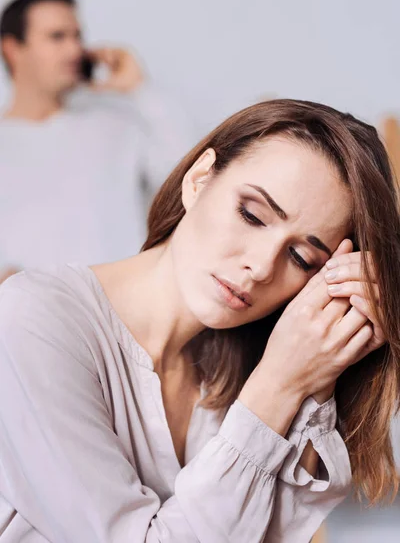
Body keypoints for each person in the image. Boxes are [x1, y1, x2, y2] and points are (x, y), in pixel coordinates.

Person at [0, 99, 399, 542]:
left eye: (300, 257)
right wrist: (280, 385)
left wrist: (316, 371)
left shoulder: (238, 368)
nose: (262, 267)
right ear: (198, 179)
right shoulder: (31, 321)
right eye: (252, 215)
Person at [0, 0, 193, 279]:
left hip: (121, 310)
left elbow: (193, 177)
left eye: (77, 36)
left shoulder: (115, 124)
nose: (74, 50)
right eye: (57, 37)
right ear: (12, 49)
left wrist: (140, 89)